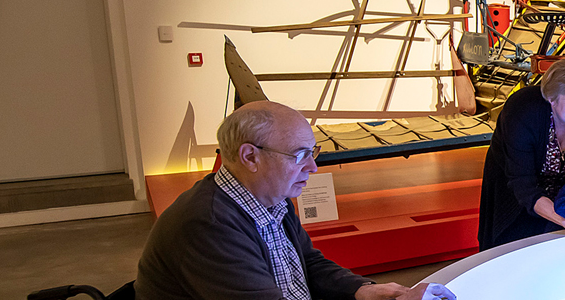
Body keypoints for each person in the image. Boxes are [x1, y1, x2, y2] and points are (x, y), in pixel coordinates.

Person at [136, 101, 452, 300]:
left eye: (312, 153)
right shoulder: (208, 224)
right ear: (250, 157)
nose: (312, 167)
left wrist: (362, 289)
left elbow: (307, 262)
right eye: (299, 155)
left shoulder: (271, 197)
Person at [478, 59, 565, 250]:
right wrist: (563, 220)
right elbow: (522, 183)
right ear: (552, 98)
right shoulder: (522, 111)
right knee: (515, 252)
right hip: (517, 195)